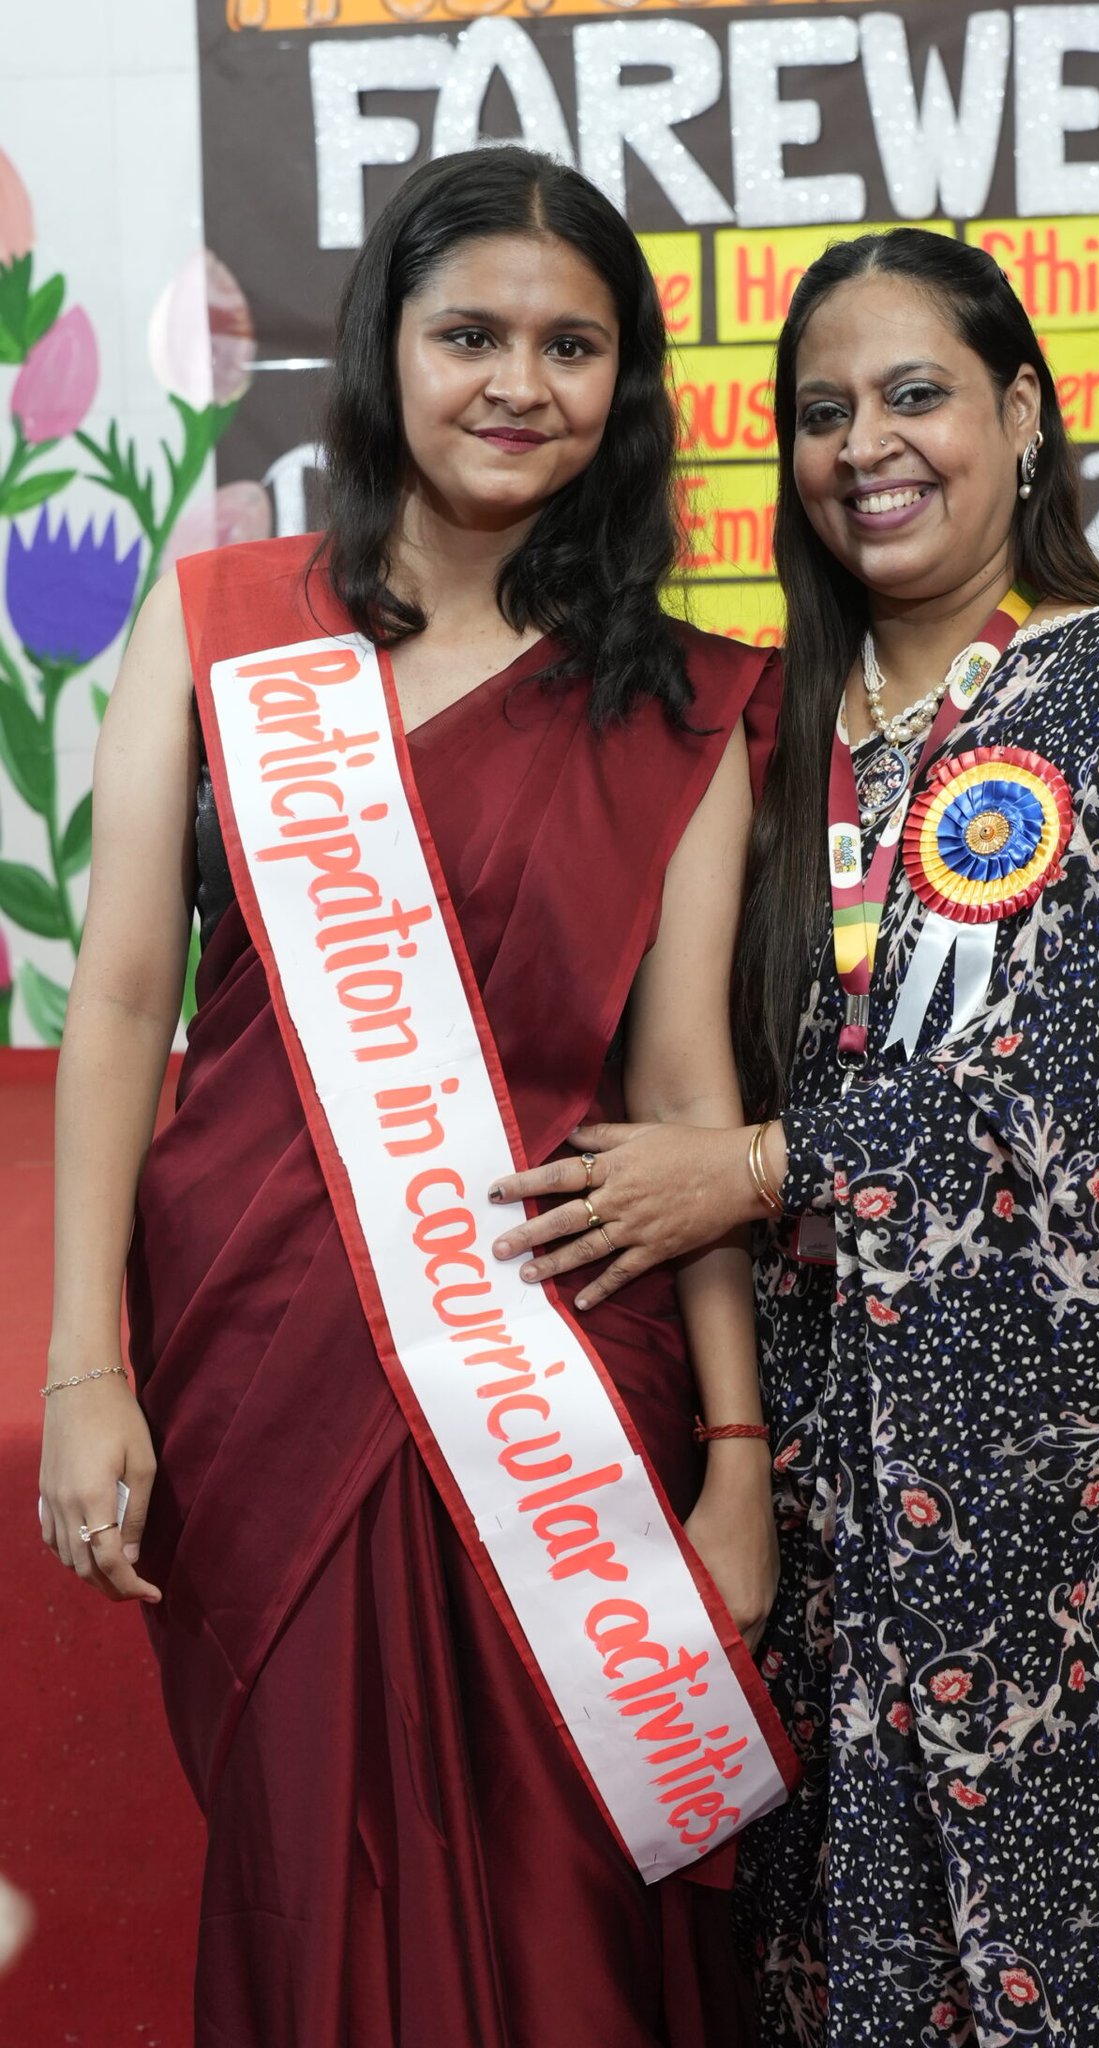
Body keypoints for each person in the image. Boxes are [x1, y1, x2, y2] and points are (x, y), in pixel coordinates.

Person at [492, 230, 1099, 2047]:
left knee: (1098, 1975)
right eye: (822, 412)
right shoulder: (768, 734)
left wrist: (752, 1173)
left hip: (1088, 1515)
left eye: (915, 395)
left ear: (1026, 414)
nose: (866, 447)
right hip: (831, 1500)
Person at [38, 147, 789, 2048]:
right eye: (471, 336)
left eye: (572, 346)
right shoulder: (222, 623)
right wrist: (81, 1366)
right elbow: (119, 998)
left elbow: (687, 1094)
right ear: (387, 347)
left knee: (573, 1912)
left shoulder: (683, 704)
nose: (518, 384)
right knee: (316, 1869)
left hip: (560, 1386)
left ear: (628, 386)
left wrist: (735, 1457)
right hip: (260, 1350)